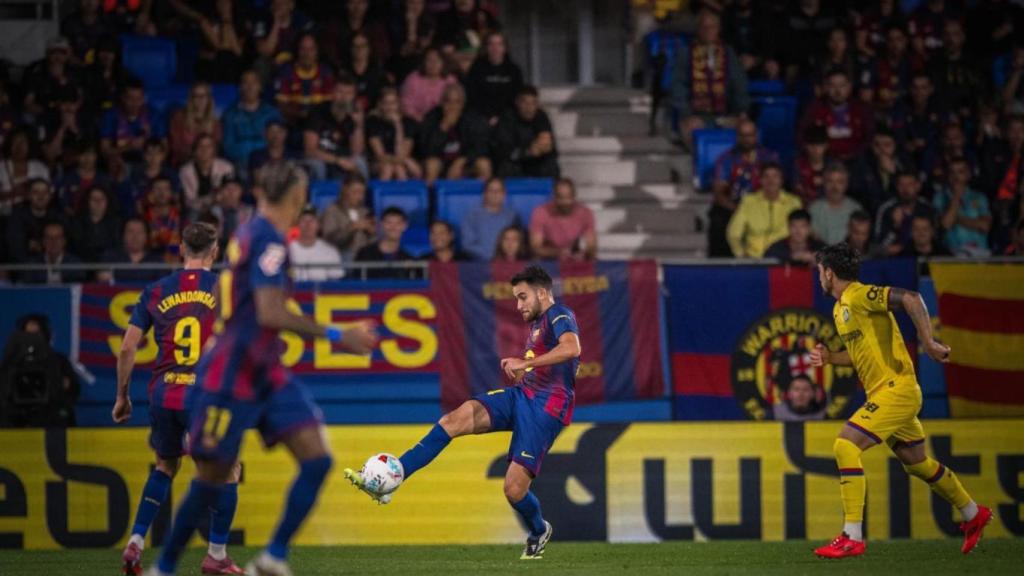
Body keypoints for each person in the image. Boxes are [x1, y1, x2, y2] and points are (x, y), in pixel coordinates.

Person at [146, 163, 377, 576]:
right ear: (293, 195)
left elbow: (243, 298)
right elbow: (271, 311)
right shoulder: (269, 239)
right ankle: (163, 568)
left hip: (266, 371)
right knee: (212, 477)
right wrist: (337, 335)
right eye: (302, 196)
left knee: (317, 459)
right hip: (231, 376)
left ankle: (272, 557)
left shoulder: (248, 232)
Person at [345, 265, 578, 561]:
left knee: (514, 490)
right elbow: (551, 364)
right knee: (452, 420)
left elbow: (572, 348)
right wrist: (524, 370)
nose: (518, 306)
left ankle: (538, 530)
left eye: (523, 297)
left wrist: (524, 363)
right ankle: (394, 477)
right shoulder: (538, 323)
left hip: (546, 409)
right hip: (523, 395)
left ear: (542, 293)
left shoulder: (560, 315)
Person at [810, 243, 990, 559]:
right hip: (886, 393)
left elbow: (911, 297)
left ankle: (852, 535)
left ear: (829, 272)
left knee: (845, 445)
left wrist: (928, 342)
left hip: (898, 390)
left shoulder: (859, 294)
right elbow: (856, 356)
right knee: (918, 464)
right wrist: (828, 358)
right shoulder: (841, 309)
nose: (818, 278)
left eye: (819, 272)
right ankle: (973, 513)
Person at [112, 223, 244, 576]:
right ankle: (216, 555)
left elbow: (127, 348)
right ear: (215, 251)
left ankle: (136, 542)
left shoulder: (156, 291)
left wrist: (122, 396)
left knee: (165, 466)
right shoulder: (225, 289)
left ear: (181, 250)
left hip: (164, 394)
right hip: (205, 395)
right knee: (229, 470)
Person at [670, 10, 749, 148]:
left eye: (712, 27)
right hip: (696, 115)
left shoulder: (727, 53)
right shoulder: (685, 53)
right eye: (704, 27)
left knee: (746, 129)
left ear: (718, 29)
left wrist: (741, 110)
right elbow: (678, 86)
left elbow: (739, 83)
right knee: (692, 129)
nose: (708, 31)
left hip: (726, 113)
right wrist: (687, 113)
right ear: (698, 30)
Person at [708, 120, 778, 256]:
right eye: (743, 135)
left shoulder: (768, 157)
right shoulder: (726, 159)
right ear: (737, 136)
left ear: (756, 135)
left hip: (763, 203)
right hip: (734, 206)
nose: (747, 139)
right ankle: (719, 264)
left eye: (750, 135)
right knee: (718, 219)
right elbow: (719, 194)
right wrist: (740, 209)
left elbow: (776, 184)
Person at [418, 83, 492, 184]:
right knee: (431, 165)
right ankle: (433, 198)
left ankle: (482, 198)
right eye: (448, 101)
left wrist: (462, 161)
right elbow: (426, 150)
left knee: (484, 164)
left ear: (463, 104)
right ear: (441, 103)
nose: (452, 106)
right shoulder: (431, 118)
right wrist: (443, 127)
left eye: (457, 102)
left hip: (465, 161)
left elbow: (480, 147)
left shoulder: (472, 119)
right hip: (440, 162)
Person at [725, 163, 802, 258]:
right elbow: (733, 234)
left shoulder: (793, 202)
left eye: (775, 176)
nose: (771, 181)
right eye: (766, 176)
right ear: (760, 180)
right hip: (754, 260)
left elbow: (801, 233)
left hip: (784, 259)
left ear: (781, 180)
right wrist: (741, 254)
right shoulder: (749, 202)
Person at [800, 68, 875, 162]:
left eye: (842, 85)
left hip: (857, 159)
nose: (837, 90)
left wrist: (856, 154)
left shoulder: (862, 109)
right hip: (824, 160)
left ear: (849, 87)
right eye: (832, 86)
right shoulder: (814, 108)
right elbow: (802, 135)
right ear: (825, 87)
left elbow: (869, 137)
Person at [302, 73, 368, 180]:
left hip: (344, 161)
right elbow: (310, 150)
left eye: (348, 93)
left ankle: (361, 195)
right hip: (322, 159)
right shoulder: (317, 112)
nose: (343, 97)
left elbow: (357, 151)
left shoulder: (354, 114)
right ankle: (321, 195)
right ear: (332, 92)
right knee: (317, 165)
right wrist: (337, 160)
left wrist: (358, 125)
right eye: (340, 92)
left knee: (359, 162)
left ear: (354, 96)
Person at [492, 85, 559, 178]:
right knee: (506, 167)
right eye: (525, 103)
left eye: (533, 103)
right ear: (517, 103)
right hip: (516, 162)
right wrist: (527, 152)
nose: (529, 108)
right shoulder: (507, 118)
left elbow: (547, 143)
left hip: (537, 161)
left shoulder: (541, 116)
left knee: (551, 165)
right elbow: (503, 151)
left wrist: (542, 147)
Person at [222, 70, 283, 173]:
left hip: (269, 161)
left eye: (254, 83)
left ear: (260, 87)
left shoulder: (272, 112)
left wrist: (257, 154)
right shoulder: (230, 114)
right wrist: (252, 154)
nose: (250, 87)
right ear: (240, 87)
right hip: (241, 163)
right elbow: (229, 147)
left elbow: (278, 141)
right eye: (246, 83)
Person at [273, 32, 335, 126]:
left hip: (320, 125)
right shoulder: (287, 72)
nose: (307, 54)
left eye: (311, 49)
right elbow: (281, 105)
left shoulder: (325, 72)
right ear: (297, 50)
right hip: (292, 124)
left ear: (317, 51)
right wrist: (299, 114)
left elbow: (331, 104)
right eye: (303, 49)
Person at [933, 157, 991, 257]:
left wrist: (955, 218)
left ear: (968, 174)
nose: (956, 176)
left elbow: (984, 226)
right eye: (952, 172)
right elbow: (945, 224)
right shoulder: (939, 197)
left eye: (960, 172)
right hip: (951, 252)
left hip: (979, 252)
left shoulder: (979, 197)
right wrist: (956, 196)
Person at [529, 178, 596, 261]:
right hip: (548, 260)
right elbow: (536, 248)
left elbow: (592, 245)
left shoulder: (585, 213)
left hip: (575, 260)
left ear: (574, 196)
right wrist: (558, 252)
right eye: (561, 198)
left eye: (568, 197)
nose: (565, 202)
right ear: (554, 197)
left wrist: (584, 254)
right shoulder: (540, 212)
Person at [465, 31, 524, 125]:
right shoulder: (476, 68)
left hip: (508, 116)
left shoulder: (514, 70)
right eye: (491, 44)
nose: (495, 48)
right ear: (486, 47)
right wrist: (489, 116)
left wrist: (500, 117)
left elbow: (517, 97)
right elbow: (472, 96)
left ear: (505, 48)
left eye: (499, 44)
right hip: (481, 115)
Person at [100, 79, 162, 166]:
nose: (135, 103)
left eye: (139, 99)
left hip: (147, 166)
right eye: (131, 99)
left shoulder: (153, 115)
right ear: (123, 97)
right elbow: (104, 151)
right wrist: (128, 147)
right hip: (119, 166)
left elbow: (164, 147)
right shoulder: (111, 116)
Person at [365, 87, 421, 181]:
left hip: (400, 161)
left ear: (398, 104)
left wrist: (398, 126)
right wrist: (405, 161)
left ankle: (403, 195)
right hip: (378, 163)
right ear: (380, 104)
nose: (390, 107)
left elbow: (403, 153)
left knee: (399, 169)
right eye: (386, 103)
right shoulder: (373, 122)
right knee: (388, 168)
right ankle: (382, 194)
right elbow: (380, 155)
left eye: (393, 103)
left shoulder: (408, 122)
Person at [875, 171, 936, 256]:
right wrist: (895, 227)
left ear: (918, 186)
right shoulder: (886, 209)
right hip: (896, 260)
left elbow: (935, 238)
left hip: (924, 256)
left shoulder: (926, 208)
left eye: (909, 184)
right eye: (901, 185)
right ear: (896, 187)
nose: (905, 189)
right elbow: (880, 247)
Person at [6, 178, 65, 264]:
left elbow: (62, 245)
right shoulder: (17, 216)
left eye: (45, 192)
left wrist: (38, 245)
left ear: (50, 196)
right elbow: (16, 247)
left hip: (54, 263)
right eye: (35, 192)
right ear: (29, 195)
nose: (41, 196)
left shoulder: (58, 216)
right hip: (25, 266)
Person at [179, 134, 235, 220]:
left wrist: (215, 201)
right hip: (196, 208)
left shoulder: (226, 167)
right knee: (193, 214)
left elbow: (227, 193)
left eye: (208, 146)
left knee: (222, 212)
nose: (204, 150)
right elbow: (190, 200)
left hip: (221, 206)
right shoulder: (186, 171)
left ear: (214, 149)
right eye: (201, 146)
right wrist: (210, 201)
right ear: (195, 150)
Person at [462, 178, 519, 261]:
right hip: (479, 265)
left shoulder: (512, 216)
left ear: (504, 194)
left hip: (508, 265)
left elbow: (518, 242)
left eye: (498, 191)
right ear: (485, 193)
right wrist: (493, 257)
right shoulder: (472, 216)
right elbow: (468, 245)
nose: (495, 194)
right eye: (491, 190)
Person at [354, 206, 418, 280]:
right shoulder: (365, 254)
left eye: (398, 223)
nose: (393, 227)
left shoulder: (409, 259)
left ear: (404, 226)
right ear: (381, 225)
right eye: (389, 223)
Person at [168, 82, 222, 167]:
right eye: (196, 96)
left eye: (203, 96)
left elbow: (215, 147)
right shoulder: (179, 118)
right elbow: (176, 145)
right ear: (191, 99)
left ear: (208, 99)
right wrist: (195, 156)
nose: (200, 100)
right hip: (183, 162)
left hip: (207, 164)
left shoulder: (215, 123)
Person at [321, 176, 375, 259]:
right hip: (339, 255)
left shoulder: (365, 212)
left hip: (363, 257)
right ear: (345, 190)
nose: (359, 197)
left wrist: (372, 233)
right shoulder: (332, 210)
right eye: (355, 192)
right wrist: (351, 228)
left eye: (362, 193)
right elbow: (330, 240)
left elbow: (373, 243)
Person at [0, 128, 51, 216]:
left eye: (23, 142)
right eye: (15, 142)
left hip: (33, 215)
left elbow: (48, 194)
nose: (18, 146)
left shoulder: (40, 168)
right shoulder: (1, 167)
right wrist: (12, 194)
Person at [98, 218, 166, 284]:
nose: (135, 236)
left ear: (147, 236)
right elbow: (102, 281)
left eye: (140, 232)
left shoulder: (157, 260)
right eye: (130, 231)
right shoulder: (110, 257)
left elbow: (163, 286)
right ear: (123, 235)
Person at [809, 163, 864, 245]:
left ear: (846, 184)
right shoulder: (814, 209)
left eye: (840, 182)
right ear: (824, 183)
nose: (835, 187)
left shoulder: (855, 209)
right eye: (830, 181)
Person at [400, 47, 457, 122]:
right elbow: (405, 104)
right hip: (417, 122)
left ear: (443, 63)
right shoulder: (413, 79)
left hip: (443, 122)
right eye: (429, 60)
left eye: (437, 60)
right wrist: (418, 118)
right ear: (423, 62)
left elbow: (456, 103)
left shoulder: (450, 80)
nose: (433, 64)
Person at [290, 204, 344, 282]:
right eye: (303, 220)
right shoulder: (286, 250)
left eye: (312, 220)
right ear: (297, 224)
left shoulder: (330, 251)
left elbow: (335, 284)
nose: (308, 224)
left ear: (318, 225)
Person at [69, 186, 121, 263]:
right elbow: (76, 248)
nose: (98, 202)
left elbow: (117, 247)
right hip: (83, 265)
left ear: (107, 201)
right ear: (87, 202)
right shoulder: (77, 223)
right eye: (94, 199)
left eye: (102, 199)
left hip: (109, 264)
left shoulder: (117, 223)